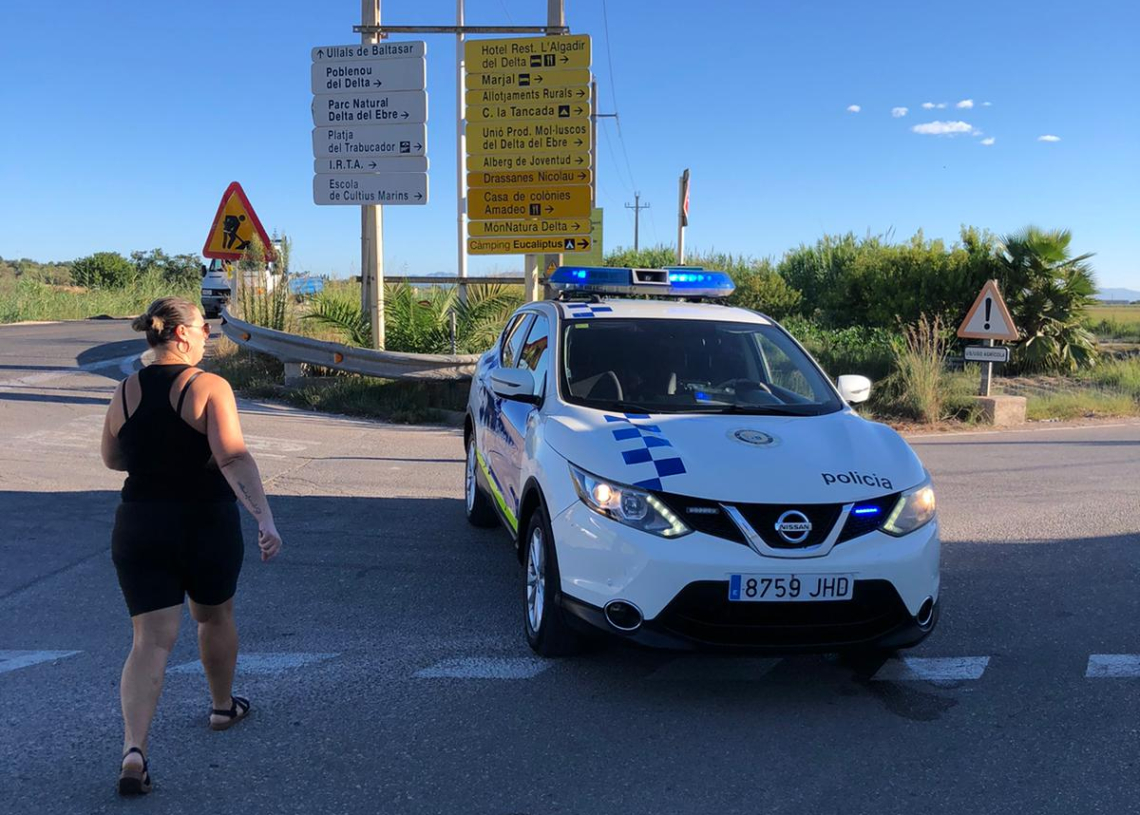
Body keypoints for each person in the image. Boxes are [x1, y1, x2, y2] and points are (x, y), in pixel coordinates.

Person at [100, 296, 283, 796]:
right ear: (181, 336)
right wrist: (264, 518)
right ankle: (222, 708)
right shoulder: (208, 385)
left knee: (149, 640)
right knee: (214, 616)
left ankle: (134, 749)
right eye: (204, 328)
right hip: (203, 522)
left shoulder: (126, 390)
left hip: (139, 524)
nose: (209, 336)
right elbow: (234, 457)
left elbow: (112, 458)